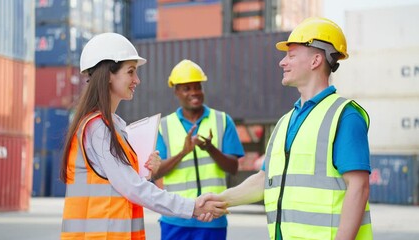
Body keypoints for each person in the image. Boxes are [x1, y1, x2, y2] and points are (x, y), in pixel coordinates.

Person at [200, 17, 373, 240]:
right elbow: (265, 180)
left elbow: (358, 188)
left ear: (315, 61)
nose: (282, 62)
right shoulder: (285, 121)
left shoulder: (345, 115)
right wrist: (220, 199)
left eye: (291, 56)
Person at [59, 33, 228, 240]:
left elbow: (124, 183)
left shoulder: (114, 126)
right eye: (131, 72)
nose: (137, 80)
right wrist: (192, 206)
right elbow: (132, 188)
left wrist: (146, 171)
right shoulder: (98, 129)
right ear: (109, 75)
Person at [152, 59, 245, 240]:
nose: (194, 92)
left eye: (197, 87)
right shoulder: (163, 126)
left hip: (212, 218)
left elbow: (233, 168)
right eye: (187, 88)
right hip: (175, 218)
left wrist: (210, 148)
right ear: (176, 91)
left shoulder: (223, 120)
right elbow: (156, 172)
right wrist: (183, 153)